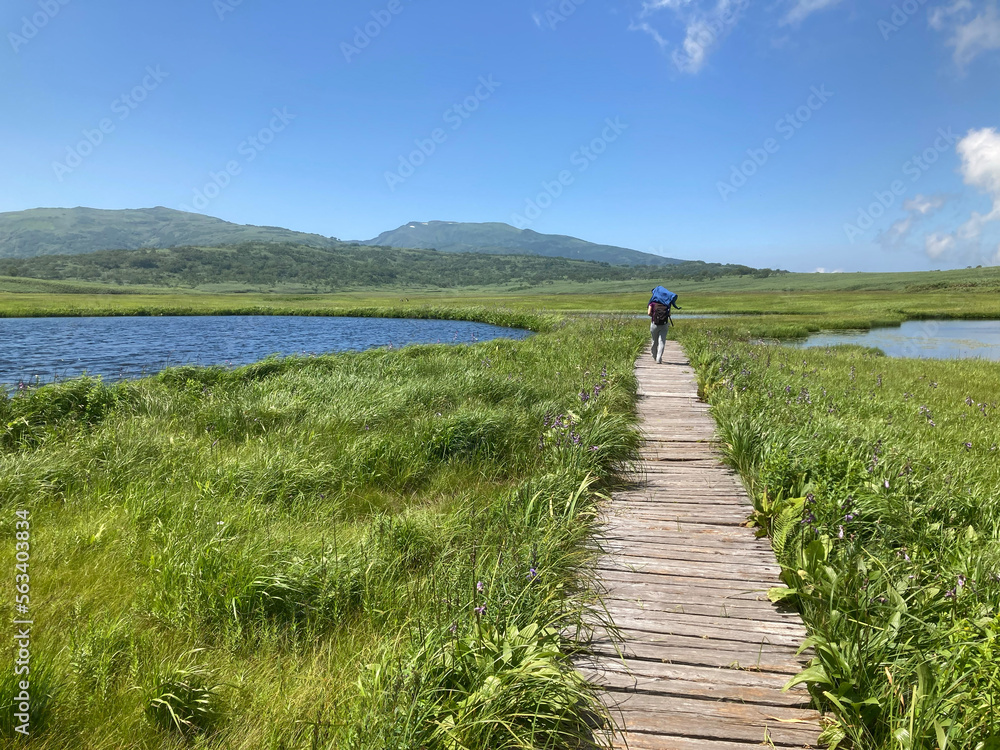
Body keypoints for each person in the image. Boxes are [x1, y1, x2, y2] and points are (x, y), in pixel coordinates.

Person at [647, 286, 680, 364]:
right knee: (662, 341)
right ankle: (659, 358)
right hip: (664, 324)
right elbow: (669, 314)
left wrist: (654, 317)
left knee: (654, 341)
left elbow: (649, 313)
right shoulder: (667, 303)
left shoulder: (652, 303)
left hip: (654, 324)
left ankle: (654, 356)